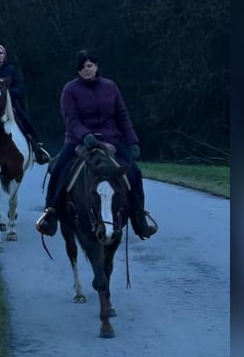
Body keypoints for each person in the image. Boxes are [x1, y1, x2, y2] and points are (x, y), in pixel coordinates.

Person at [35, 49, 158, 239]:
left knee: (135, 173)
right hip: (78, 140)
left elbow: (122, 116)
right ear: (78, 70)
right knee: (58, 170)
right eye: (82, 67)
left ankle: (139, 219)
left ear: (96, 66)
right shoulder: (70, 89)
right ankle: (50, 215)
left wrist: (132, 141)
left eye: (89, 65)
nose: (86, 69)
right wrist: (85, 135)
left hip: (111, 140)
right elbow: (71, 119)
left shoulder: (111, 87)